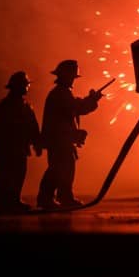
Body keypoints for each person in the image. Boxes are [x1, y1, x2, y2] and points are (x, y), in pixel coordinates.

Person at [37, 59, 101, 210]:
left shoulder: (62, 93)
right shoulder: (60, 94)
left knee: (63, 168)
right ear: (64, 76)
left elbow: (75, 107)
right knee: (58, 169)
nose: (73, 79)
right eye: (72, 76)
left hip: (61, 139)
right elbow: (76, 108)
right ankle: (52, 198)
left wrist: (90, 100)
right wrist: (92, 100)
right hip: (59, 140)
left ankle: (59, 197)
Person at [0, 71, 41, 212]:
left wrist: (37, 143)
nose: (26, 87)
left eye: (26, 85)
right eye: (24, 85)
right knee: (6, 176)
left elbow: (33, 127)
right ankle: (1, 202)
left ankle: (13, 200)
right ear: (16, 86)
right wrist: (1, 144)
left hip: (20, 148)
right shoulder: (4, 107)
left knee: (18, 174)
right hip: (7, 149)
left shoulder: (25, 106)